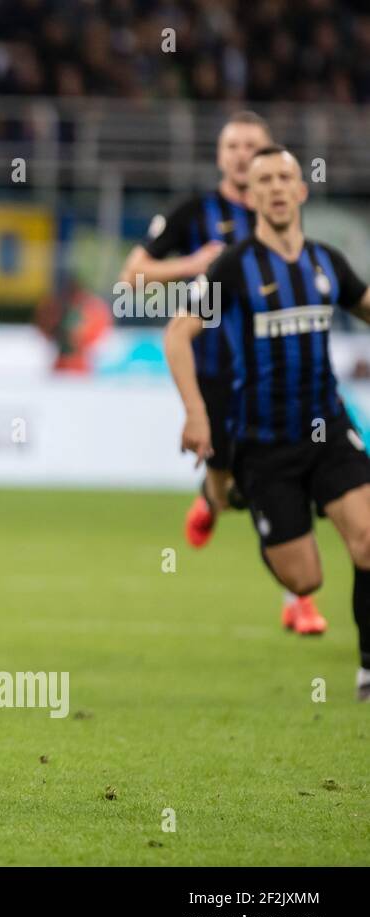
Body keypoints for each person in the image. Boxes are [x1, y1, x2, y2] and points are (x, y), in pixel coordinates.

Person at [165, 146, 370, 701]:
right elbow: (177, 334)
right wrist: (196, 412)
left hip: (328, 428)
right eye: (265, 181)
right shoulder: (233, 269)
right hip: (262, 444)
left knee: (368, 542)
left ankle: (369, 668)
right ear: (251, 197)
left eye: (286, 177)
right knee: (306, 580)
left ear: (302, 191)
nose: (277, 188)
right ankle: (239, 502)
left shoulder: (327, 263)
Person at [121, 111, 323, 633]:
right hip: (212, 375)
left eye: (251, 145)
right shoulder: (194, 213)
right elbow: (133, 277)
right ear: (220, 155)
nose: (240, 153)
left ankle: (296, 597)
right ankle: (210, 501)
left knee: (277, 479)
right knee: (231, 489)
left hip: (272, 375)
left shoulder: (280, 220)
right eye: (232, 145)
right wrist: (190, 265)